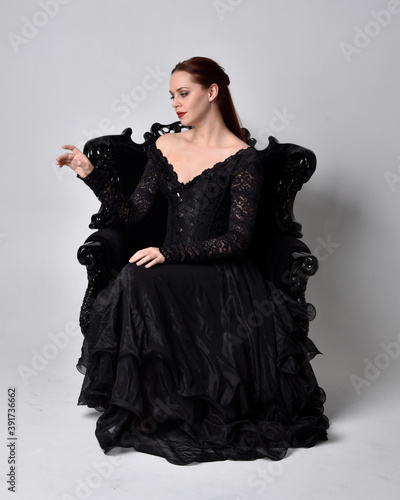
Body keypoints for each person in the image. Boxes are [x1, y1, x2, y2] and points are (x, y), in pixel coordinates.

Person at [56, 56, 329, 465]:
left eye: (183, 93)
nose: (176, 104)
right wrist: (90, 172)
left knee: (138, 277)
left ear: (212, 91)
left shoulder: (243, 159)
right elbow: (131, 214)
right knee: (135, 277)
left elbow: (237, 241)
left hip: (223, 276)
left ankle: (175, 402)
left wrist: (169, 253)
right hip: (171, 270)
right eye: (172, 96)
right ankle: (150, 403)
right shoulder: (165, 147)